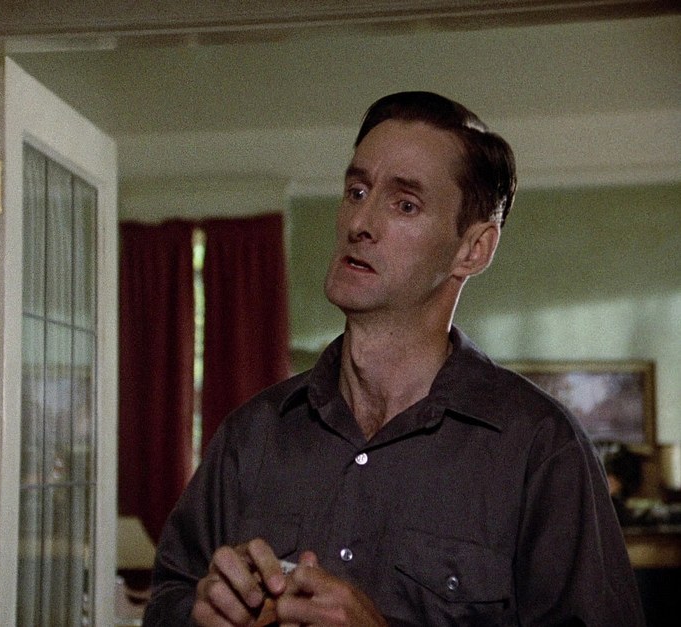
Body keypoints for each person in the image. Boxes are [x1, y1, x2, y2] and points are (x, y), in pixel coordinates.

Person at [142, 91, 645, 626]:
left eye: (405, 204)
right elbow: (168, 600)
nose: (360, 222)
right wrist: (198, 614)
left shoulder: (540, 448)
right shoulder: (253, 434)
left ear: (472, 249)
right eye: (357, 191)